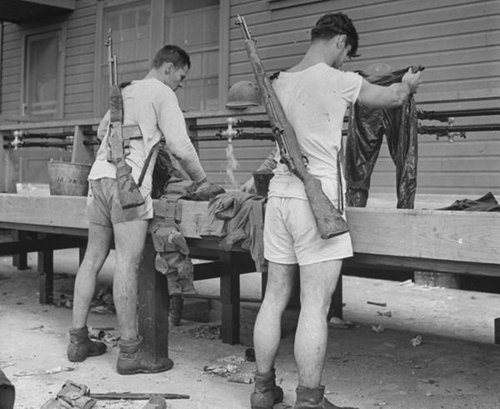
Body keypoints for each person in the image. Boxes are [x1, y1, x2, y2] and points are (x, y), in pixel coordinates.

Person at [249, 12, 422, 409]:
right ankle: (309, 399)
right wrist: (409, 84)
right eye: (347, 54)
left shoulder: (277, 82)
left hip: (279, 197)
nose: (346, 62)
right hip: (317, 198)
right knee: (315, 303)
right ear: (341, 42)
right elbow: (392, 98)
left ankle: (262, 390)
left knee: (274, 297)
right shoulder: (338, 79)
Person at [67, 44, 210, 375]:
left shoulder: (126, 90)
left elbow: (103, 131)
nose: (180, 84)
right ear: (169, 68)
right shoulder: (161, 92)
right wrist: (201, 181)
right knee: (128, 265)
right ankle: (130, 352)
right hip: (127, 186)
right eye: (181, 77)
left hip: (99, 179)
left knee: (91, 260)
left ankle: (77, 341)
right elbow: (181, 146)